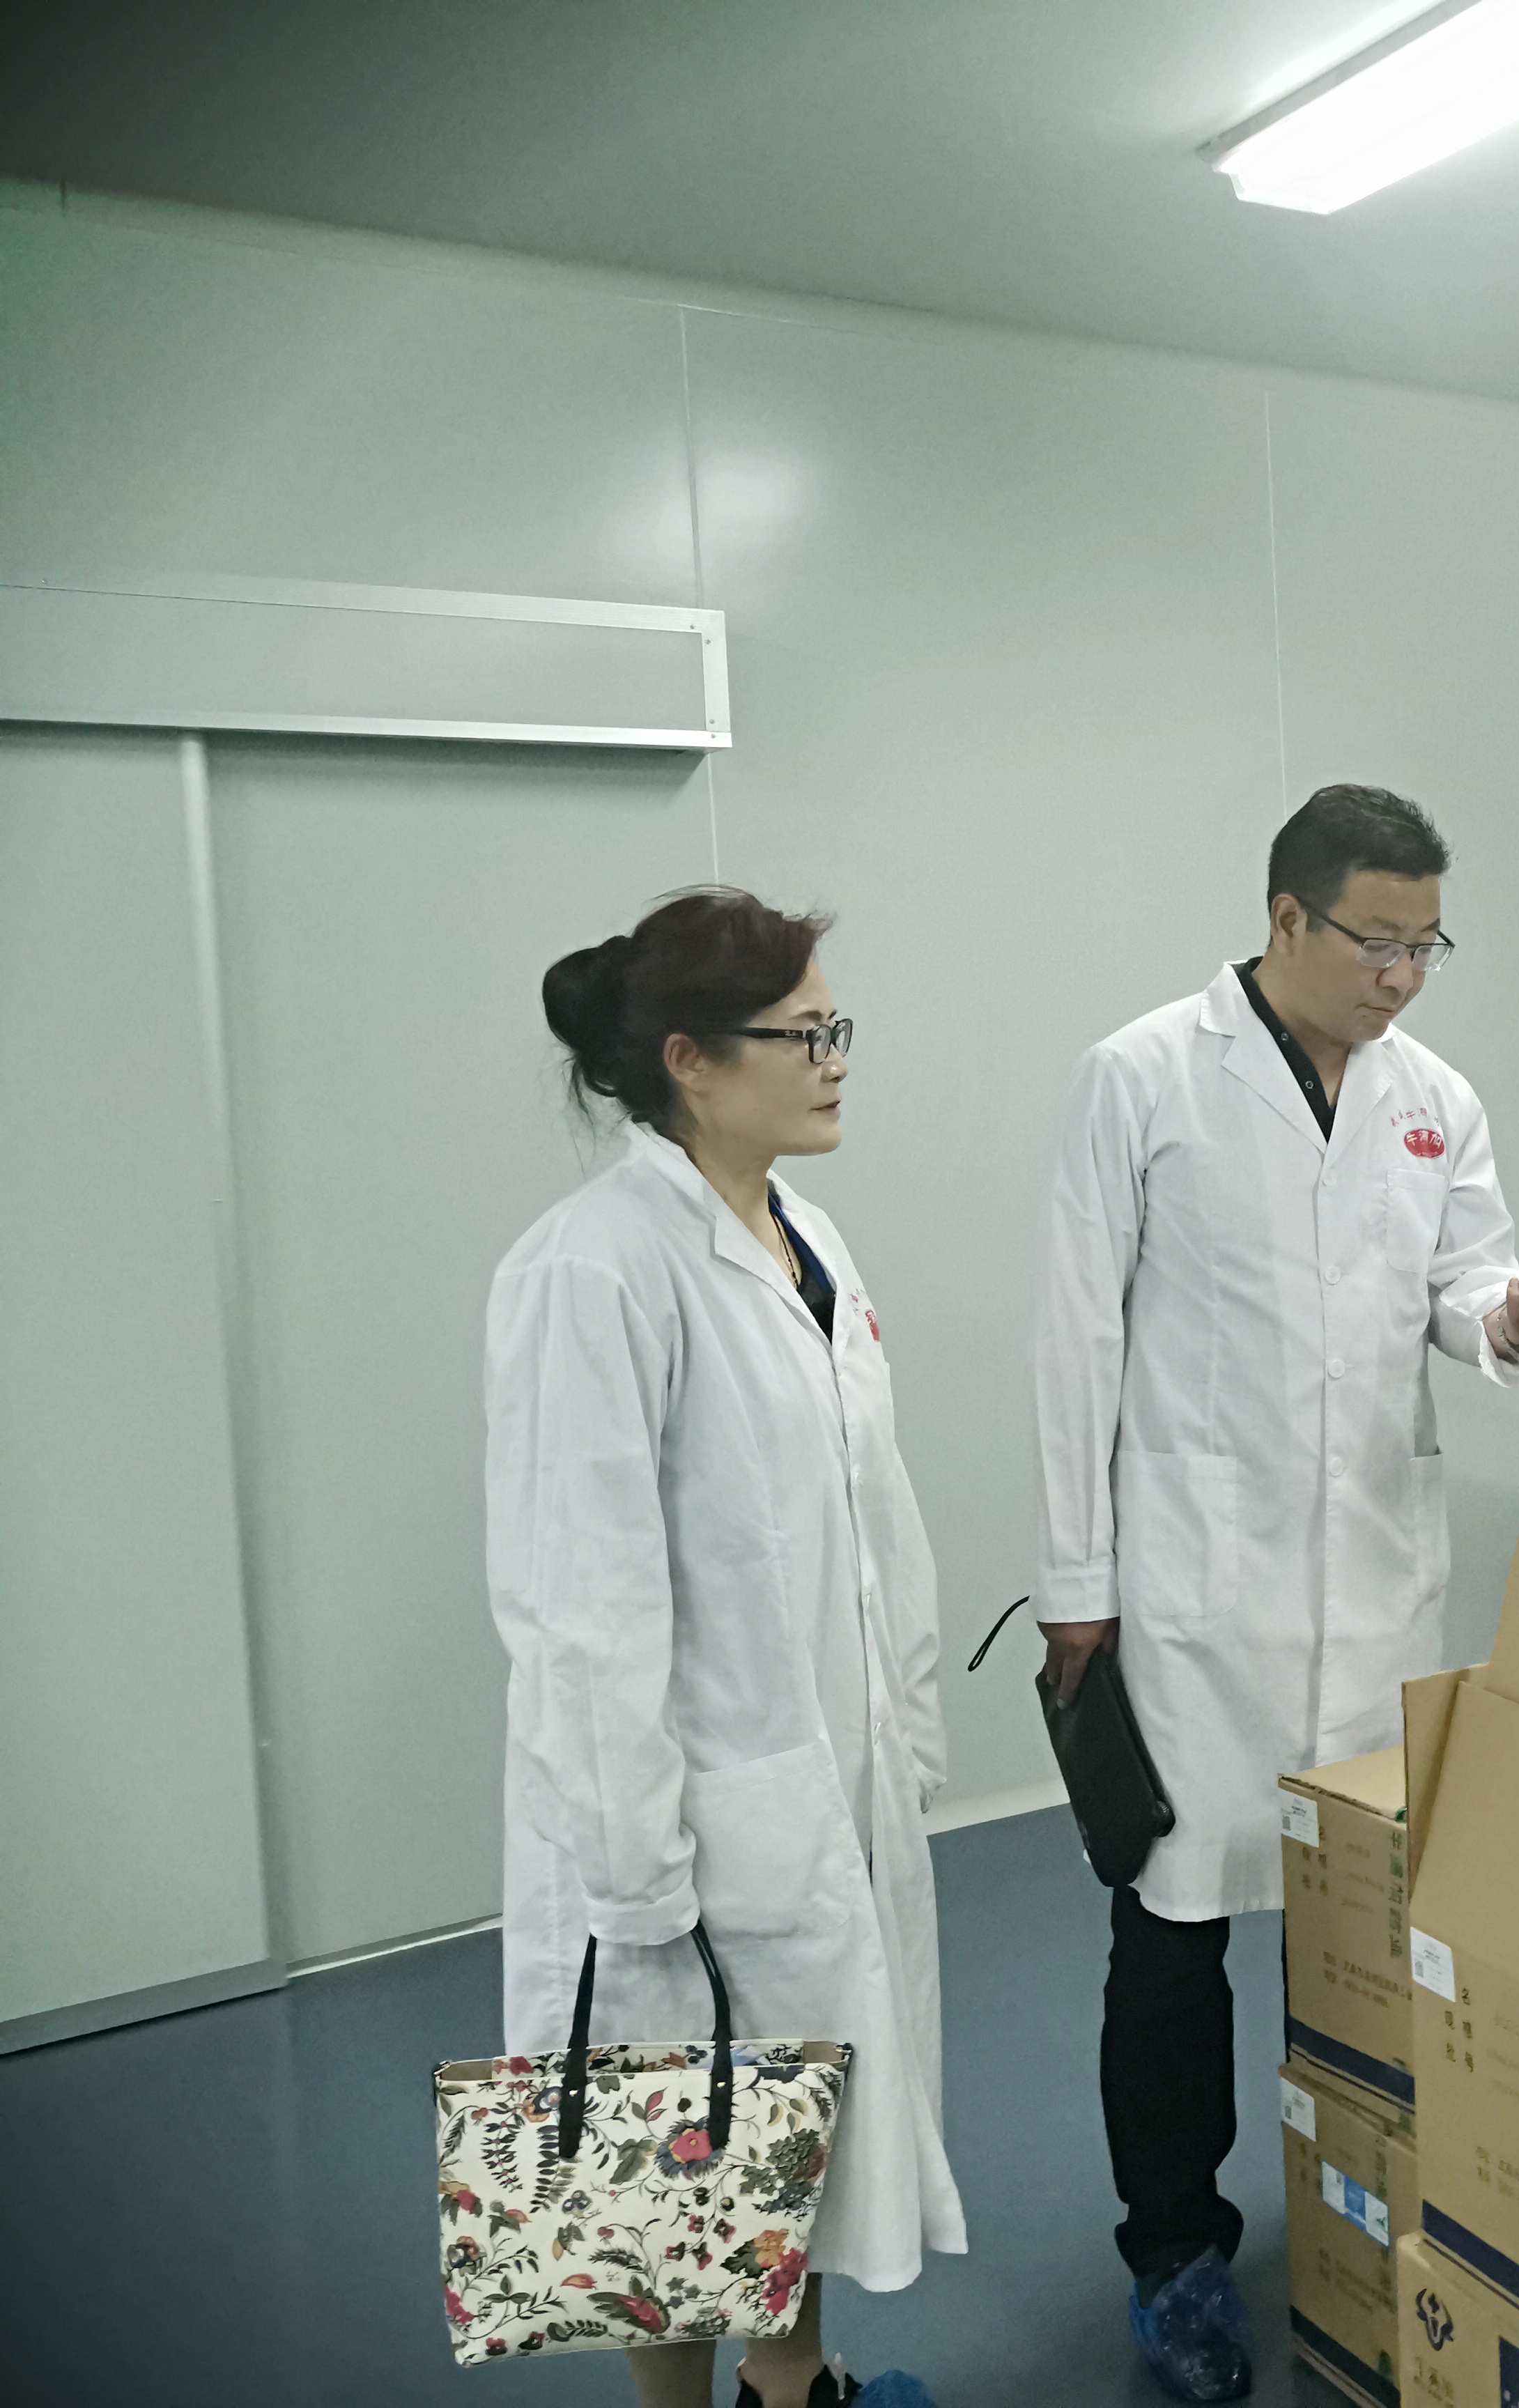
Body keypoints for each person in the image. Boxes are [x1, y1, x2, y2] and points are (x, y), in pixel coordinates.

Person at [1030, 785, 1519, 2402]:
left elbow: (1461, 1285)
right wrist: (1076, 1584)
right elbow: (1073, 1333)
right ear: (1287, 918)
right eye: (1377, 941)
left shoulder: (1434, 1097)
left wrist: (1515, 1319)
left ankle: (1367, 2192)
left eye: (1428, 945)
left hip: (1372, 1572)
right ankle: (1177, 2253)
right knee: (1174, 1933)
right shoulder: (1144, 1075)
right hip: (1192, 1587)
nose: (1404, 974)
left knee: (1357, 1920)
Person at [488, 890, 959, 2408]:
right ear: (689, 1059)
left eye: (837, 1027)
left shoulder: (805, 1235)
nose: (836, 1059)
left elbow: (874, 1514)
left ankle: (793, 2380)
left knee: (797, 2110)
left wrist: (907, 1724)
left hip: (823, 1775)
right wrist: (633, 1869)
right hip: (676, 1812)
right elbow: (582, 1602)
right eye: (803, 1034)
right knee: (666, 2154)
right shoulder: (594, 1267)